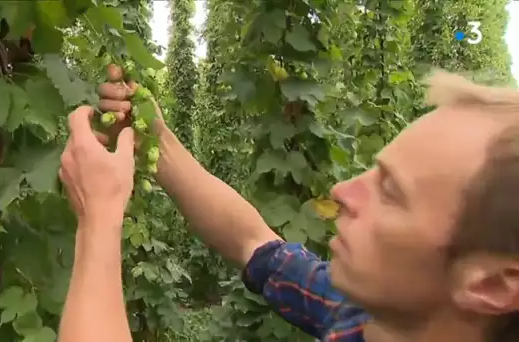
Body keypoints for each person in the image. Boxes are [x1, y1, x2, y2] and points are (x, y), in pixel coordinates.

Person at [56, 65, 519, 342]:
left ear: (494, 286)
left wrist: (98, 217)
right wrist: (155, 141)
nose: (342, 191)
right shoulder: (369, 318)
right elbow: (255, 244)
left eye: (392, 192)